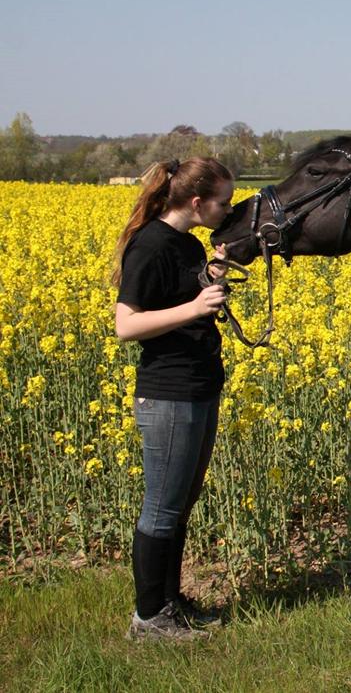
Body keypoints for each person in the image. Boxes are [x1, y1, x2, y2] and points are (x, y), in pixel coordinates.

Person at [111, 157, 234, 641]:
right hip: (168, 393)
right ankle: (147, 619)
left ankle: (170, 603)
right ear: (198, 201)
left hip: (200, 385)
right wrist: (196, 306)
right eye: (223, 202)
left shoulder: (186, 244)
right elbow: (127, 325)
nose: (228, 209)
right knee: (161, 506)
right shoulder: (150, 245)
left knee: (180, 503)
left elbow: (180, 296)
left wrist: (212, 276)